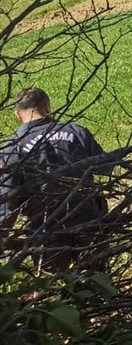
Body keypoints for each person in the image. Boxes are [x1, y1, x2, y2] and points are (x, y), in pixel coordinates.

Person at [1, 88, 109, 273]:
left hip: (46, 228)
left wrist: (3, 233)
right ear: (48, 107)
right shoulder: (76, 131)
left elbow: (8, 198)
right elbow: (106, 167)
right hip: (88, 217)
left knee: (52, 285)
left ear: (17, 114)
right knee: (96, 280)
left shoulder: (12, 148)